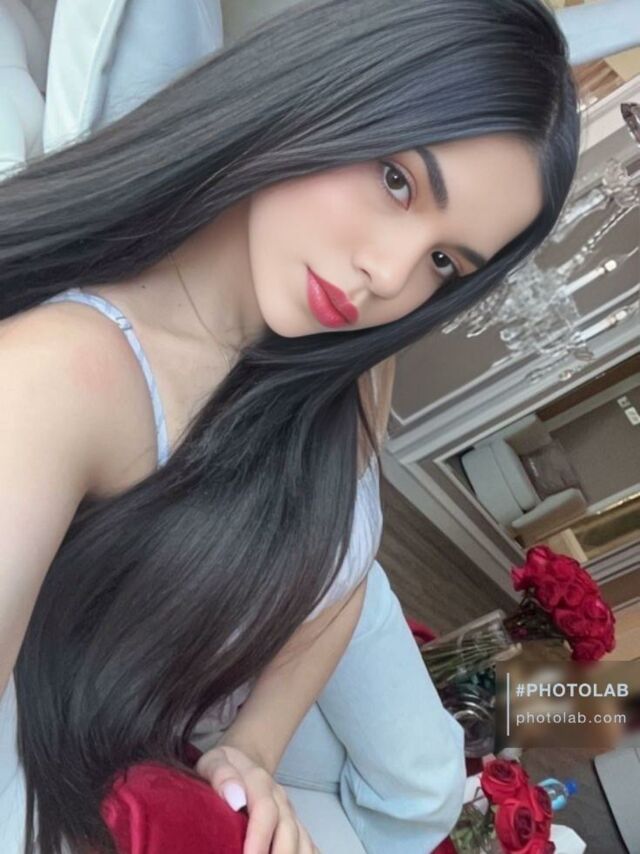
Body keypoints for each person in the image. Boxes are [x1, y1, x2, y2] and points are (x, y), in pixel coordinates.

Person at [0, 0, 580, 852]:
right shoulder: (65, 378)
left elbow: (344, 576)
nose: (390, 276)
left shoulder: (351, 358)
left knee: (426, 795)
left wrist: (254, 748)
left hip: (271, 634)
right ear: (323, 86)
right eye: (397, 180)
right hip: (186, 669)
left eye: (443, 261)